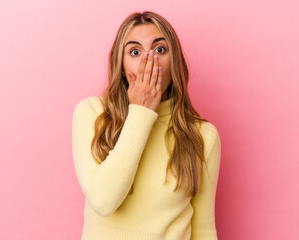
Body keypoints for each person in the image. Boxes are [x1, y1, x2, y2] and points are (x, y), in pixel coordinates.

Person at [72, 11, 221, 240]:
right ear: (121, 65)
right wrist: (141, 112)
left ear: (175, 62)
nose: (147, 61)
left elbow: (203, 229)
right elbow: (103, 201)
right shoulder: (91, 114)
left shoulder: (203, 136)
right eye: (135, 51)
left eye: (160, 50)